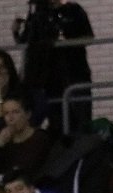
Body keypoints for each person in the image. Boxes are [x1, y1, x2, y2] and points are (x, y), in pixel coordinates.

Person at [16, 0, 95, 133]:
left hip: (75, 72)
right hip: (51, 77)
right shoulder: (39, 15)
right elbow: (27, 42)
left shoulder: (74, 10)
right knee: (57, 119)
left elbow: (88, 37)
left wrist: (65, 43)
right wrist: (17, 32)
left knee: (81, 119)